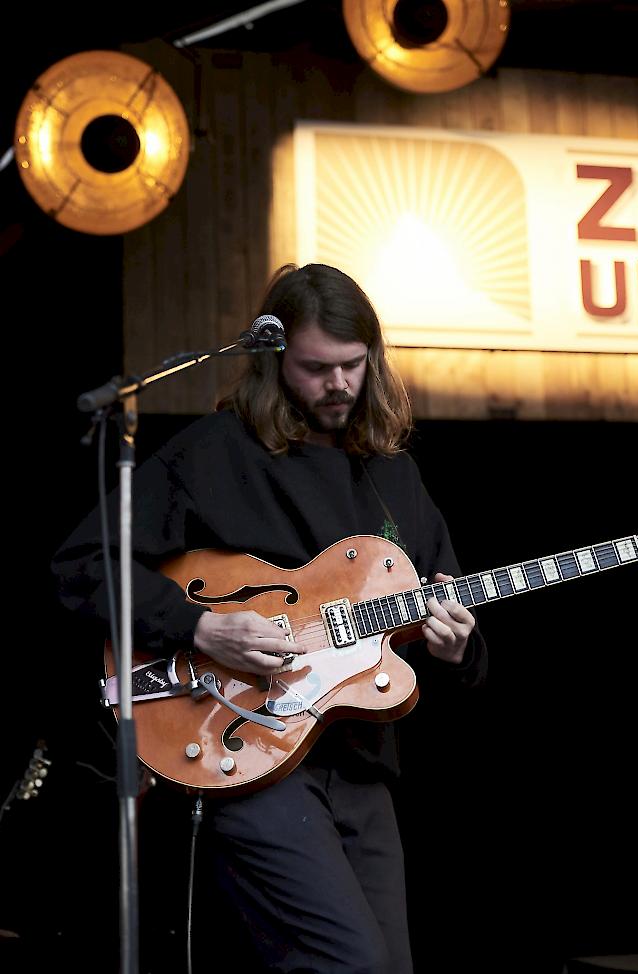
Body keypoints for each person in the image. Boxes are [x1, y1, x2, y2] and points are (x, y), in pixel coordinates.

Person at [51, 262, 487, 974]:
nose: (339, 385)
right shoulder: (215, 452)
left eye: (353, 365)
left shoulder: (395, 475)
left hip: (361, 763)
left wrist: (456, 645)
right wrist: (197, 627)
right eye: (316, 369)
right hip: (248, 751)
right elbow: (80, 566)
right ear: (275, 358)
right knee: (351, 965)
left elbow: (458, 644)